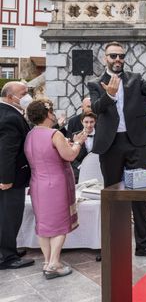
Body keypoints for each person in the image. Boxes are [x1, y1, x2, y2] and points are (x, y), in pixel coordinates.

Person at [88, 41, 146, 260]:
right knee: (113, 195)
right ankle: (112, 244)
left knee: (139, 194)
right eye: (113, 56)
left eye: (121, 56)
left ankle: (143, 245)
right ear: (105, 58)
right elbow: (96, 108)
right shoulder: (95, 83)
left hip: (135, 143)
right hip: (111, 145)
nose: (117, 60)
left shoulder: (135, 79)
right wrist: (111, 95)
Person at [24, 99, 88, 279]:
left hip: (37, 183)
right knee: (60, 225)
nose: (53, 115)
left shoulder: (30, 134)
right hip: (56, 184)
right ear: (47, 115)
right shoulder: (54, 134)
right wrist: (78, 143)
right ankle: (53, 264)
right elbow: (69, 155)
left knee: (43, 225)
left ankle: (47, 261)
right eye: (51, 112)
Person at [0, 82, 34, 271]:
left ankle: (8, 249)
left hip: (7, 175)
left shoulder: (6, 112)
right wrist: (6, 179)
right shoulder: (10, 117)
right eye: (24, 93)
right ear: (11, 97)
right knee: (9, 216)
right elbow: (7, 151)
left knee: (5, 215)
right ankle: (7, 256)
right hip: (10, 177)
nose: (27, 96)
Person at [71, 112, 97, 182]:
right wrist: (80, 166)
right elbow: (70, 155)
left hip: (96, 170)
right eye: (86, 122)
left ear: (95, 122)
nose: (89, 125)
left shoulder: (100, 136)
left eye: (91, 122)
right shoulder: (75, 135)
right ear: (82, 122)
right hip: (79, 171)